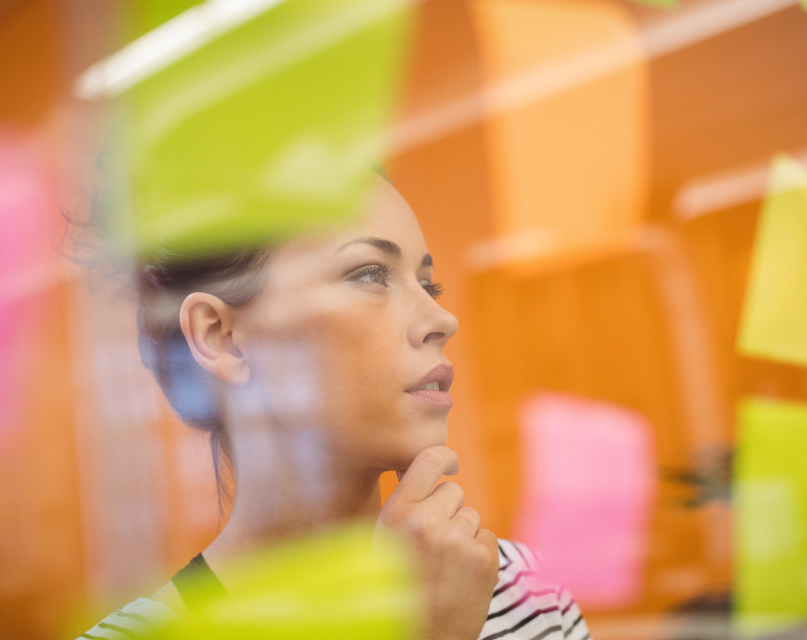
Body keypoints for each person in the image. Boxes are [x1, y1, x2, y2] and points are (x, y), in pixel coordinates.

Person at [76, 175, 590, 640]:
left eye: (428, 284)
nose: (442, 318)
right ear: (222, 337)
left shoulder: (528, 594)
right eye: (369, 275)